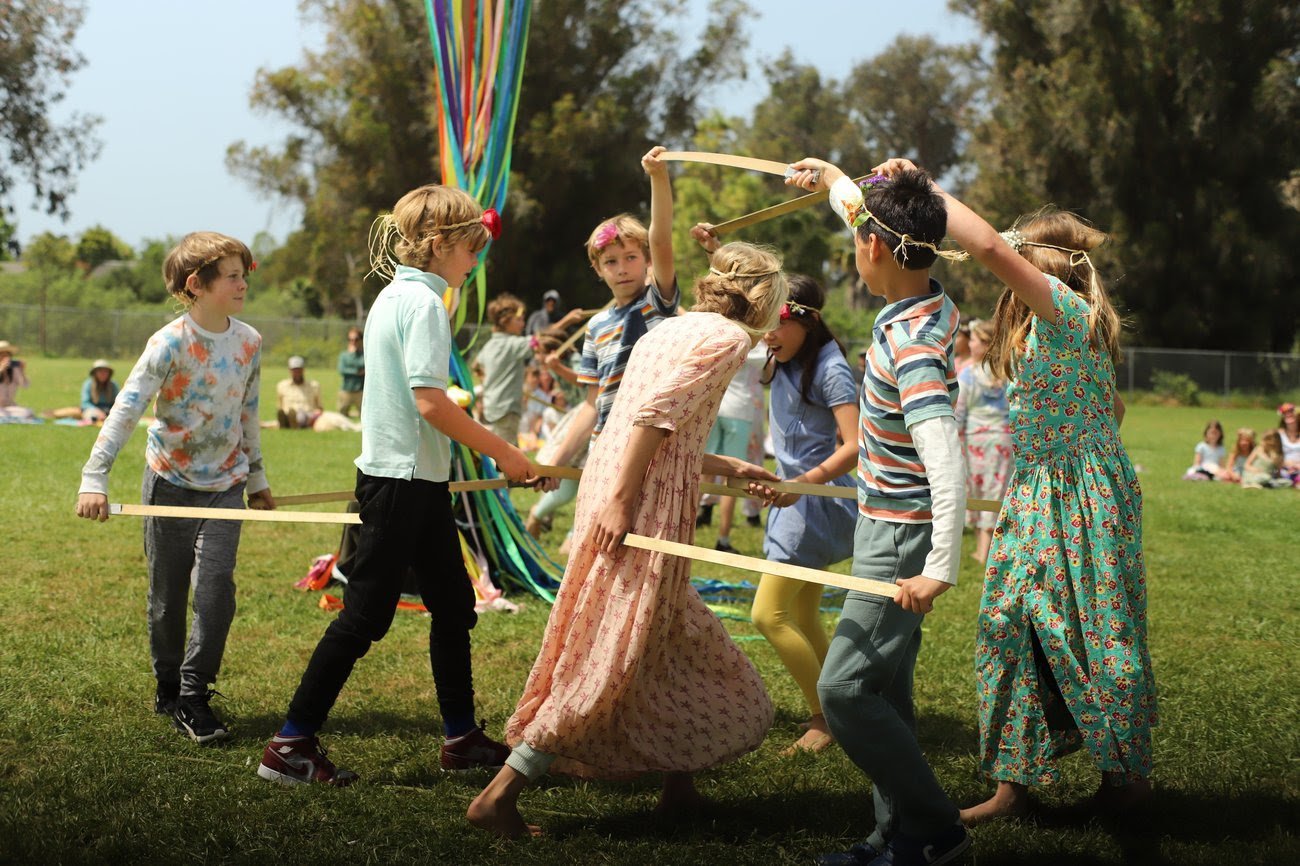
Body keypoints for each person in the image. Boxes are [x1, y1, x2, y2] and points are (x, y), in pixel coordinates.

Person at [466, 241, 787, 839]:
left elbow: (659, 425)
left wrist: (728, 467)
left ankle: (679, 785)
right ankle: (500, 794)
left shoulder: (669, 329)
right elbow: (652, 419)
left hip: (619, 487)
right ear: (764, 294)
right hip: (639, 506)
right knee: (609, 650)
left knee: (669, 636)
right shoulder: (728, 340)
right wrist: (621, 502)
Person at [880, 157, 1157, 826]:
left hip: (1082, 495)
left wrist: (926, 189)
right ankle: (1014, 785)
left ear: (1047, 264)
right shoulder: (1047, 325)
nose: (1008, 257)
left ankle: (1126, 784)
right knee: (1009, 624)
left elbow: (986, 247)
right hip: (1037, 487)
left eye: (1020, 247)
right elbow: (1112, 409)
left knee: (1097, 633)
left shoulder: (1064, 309)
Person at [257, 183, 543, 787]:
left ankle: (461, 737)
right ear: (441, 246)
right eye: (472, 247)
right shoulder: (423, 305)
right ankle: (290, 744)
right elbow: (432, 404)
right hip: (401, 485)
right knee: (363, 618)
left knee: (454, 605)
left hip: (416, 483)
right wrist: (508, 456)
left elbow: (428, 390)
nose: (477, 258)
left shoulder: (398, 295)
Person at [785, 157, 970, 866]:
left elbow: (946, 460)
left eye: (859, 235)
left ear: (879, 250)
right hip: (882, 525)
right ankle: (895, 839)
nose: (852, 241)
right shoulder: (925, 299)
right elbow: (855, 211)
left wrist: (940, 569)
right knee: (887, 690)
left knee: (843, 691)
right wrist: (834, 176)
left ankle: (937, 828)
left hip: (901, 535)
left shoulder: (912, 345)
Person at [75, 231, 273, 744]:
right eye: (232, 275)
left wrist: (257, 479)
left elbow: (248, 414)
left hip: (226, 487)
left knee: (215, 596)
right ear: (196, 285)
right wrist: (94, 477)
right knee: (167, 598)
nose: (242, 283)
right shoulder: (168, 343)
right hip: (170, 485)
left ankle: (193, 694)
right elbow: (126, 410)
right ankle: (167, 683)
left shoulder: (249, 341)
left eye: (243, 273)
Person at [750, 272, 859, 754]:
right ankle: (846, 707)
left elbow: (855, 447)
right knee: (803, 614)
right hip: (792, 497)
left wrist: (804, 484)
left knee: (767, 615)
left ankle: (823, 719)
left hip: (813, 503)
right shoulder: (783, 356)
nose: (767, 335)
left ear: (806, 322)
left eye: (775, 323)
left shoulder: (831, 369)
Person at [541, 145, 682, 489]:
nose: (622, 269)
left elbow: (661, 239)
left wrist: (658, 178)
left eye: (631, 257)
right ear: (598, 269)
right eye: (611, 262)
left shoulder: (657, 301)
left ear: (647, 260)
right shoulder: (596, 326)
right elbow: (591, 405)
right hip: (604, 450)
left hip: (651, 453)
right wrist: (554, 465)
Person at [695, 340, 767, 552]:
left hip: (713, 408)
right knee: (734, 476)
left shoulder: (720, 337)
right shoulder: (749, 341)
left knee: (703, 472)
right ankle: (723, 540)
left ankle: (684, 534)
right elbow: (767, 362)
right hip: (738, 410)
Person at [955, 319, 1012, 563]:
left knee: (977, 490)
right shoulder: (1008, 371)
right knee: (995, 490)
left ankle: (983, 549)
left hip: (975, 441)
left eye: (975, 340)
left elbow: (959, 411)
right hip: (1003, 439)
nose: (970, 342)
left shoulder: (969, 373)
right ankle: (987, 546)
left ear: (986, 344)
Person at [475, 293, 534, 445]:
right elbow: (538, 341)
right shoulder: (513, 345)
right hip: (507, 410)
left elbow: (476, 365)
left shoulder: (489, 345)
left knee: (505, 449)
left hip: (493, 407)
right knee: (508, 455)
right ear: (506, 321)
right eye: (519, 319)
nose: (523, 324)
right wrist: (566, 322)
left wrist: (488, 382)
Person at [276, 356, 323, 429]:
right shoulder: (282, 386)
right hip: (288, 414)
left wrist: (316, 414)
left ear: (303, 370)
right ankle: (288, 422)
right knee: (286, 413)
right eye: (294, 370)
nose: (297, 373)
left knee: (301, 416)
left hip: (307, 415)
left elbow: (320, 407)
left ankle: (291, 424)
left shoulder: (314, 386)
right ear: (289, 371)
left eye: (299, 370)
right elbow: (279, 406)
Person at [0, 340, 33, 420]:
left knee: (28, 412)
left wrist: (22, 371)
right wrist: (1, 369)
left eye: (7, 355)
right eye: (2, 355)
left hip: (9, 406)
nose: (5, 357)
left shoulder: (14, 369)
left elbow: (25, 385)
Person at [337, 327, 365, 417]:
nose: (353, 342)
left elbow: (364, 365)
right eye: (350, 339)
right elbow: (342, 370)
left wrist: (351, 367)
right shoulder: (344, 355)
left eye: (356, 339)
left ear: (361, 340)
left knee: (364, 416)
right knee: (341, 416)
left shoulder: (365, 355)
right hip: (346, 390)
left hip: (361, 391)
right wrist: (357, 371)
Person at [1277, 402, 1300, 486]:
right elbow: (1273, 454)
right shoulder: (1278, 434)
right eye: (1285, 413)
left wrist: (1298, 465)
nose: (1288, 414)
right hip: (1283, 467)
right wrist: (1285, 463)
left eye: (1291, 412)